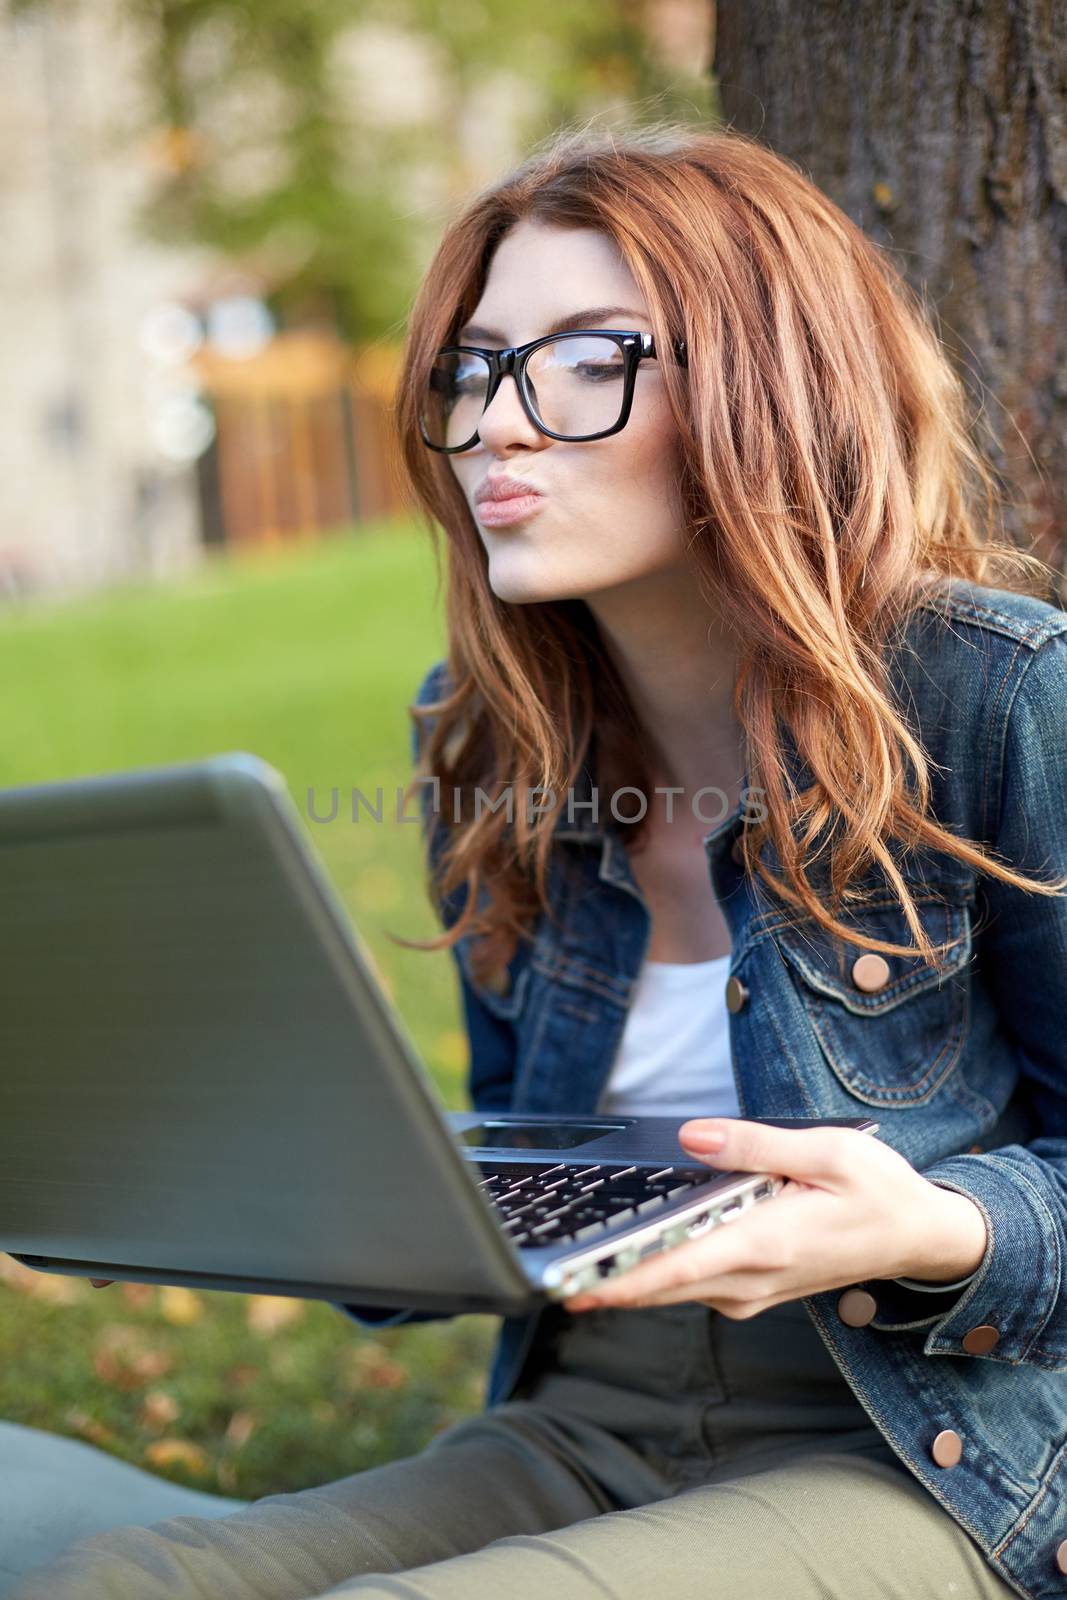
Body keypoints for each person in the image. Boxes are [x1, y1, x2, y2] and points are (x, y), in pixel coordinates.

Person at [9, 120, 1067, 1600]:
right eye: (475, 368)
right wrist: (208, 1194)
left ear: (771, 380)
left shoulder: (996, 697)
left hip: (933, 1455)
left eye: (585, 359)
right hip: (592, 1418)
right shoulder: (492, 744)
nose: (499, 420)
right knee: (119, 1580)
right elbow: (524, 1178)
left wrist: (940, 1228)